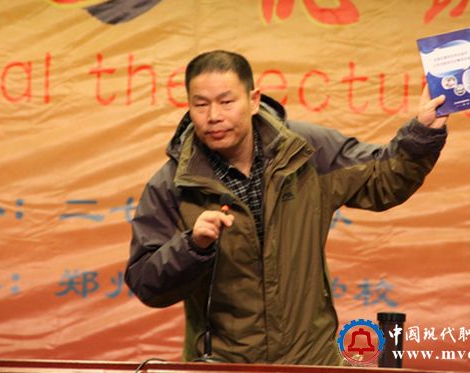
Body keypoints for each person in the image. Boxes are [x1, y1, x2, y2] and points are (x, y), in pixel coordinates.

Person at [125, 50, 448, 365]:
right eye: (201, 104)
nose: (214, 116)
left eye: (226, 102)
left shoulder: (306, 151)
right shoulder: (173, 183)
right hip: (222, 365)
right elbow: (146, 283)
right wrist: (191, 246)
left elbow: (382, 177)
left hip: (311, 362)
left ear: (253, 100)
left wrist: (423, 132)